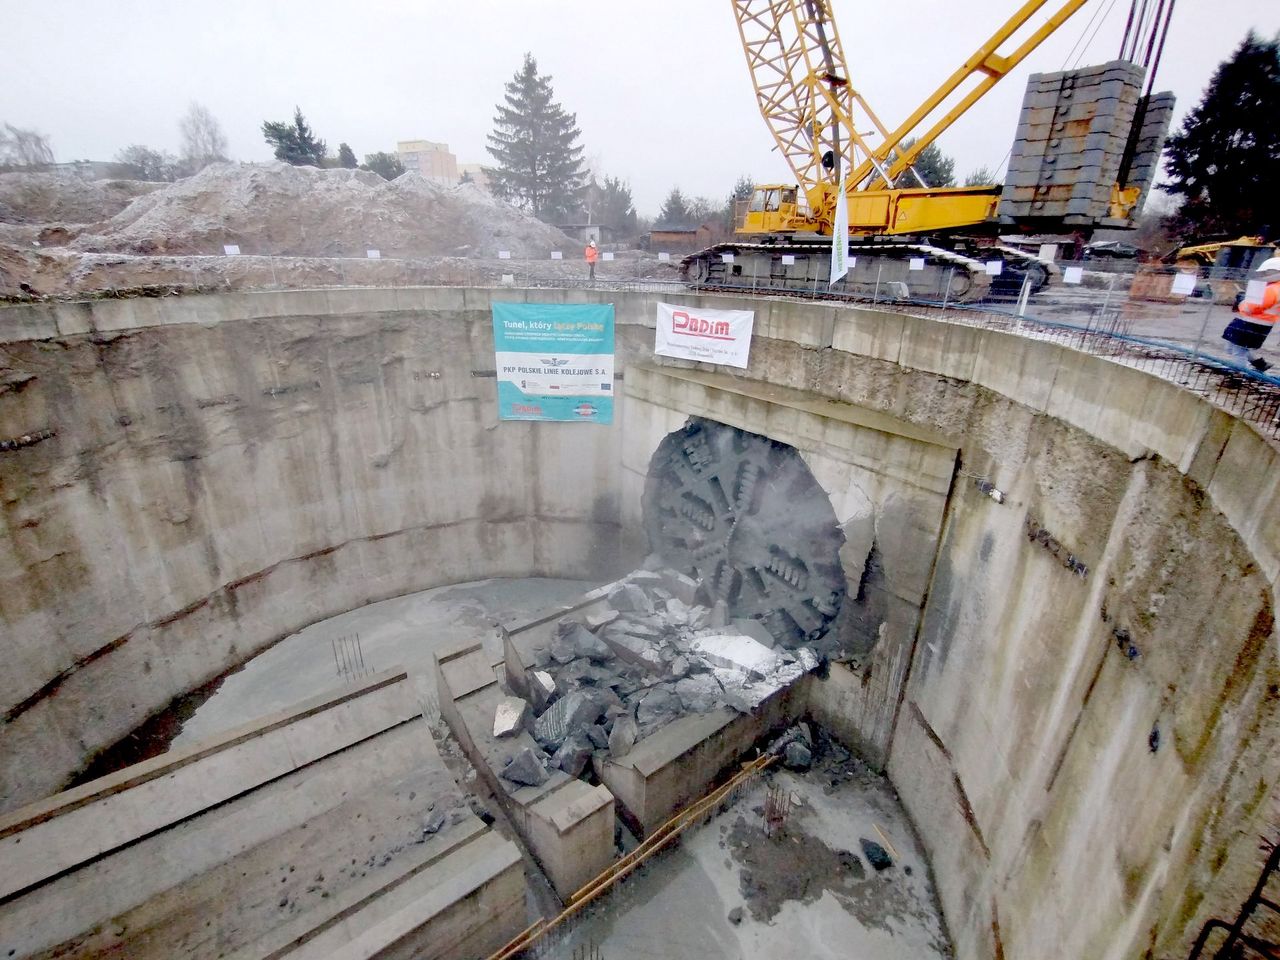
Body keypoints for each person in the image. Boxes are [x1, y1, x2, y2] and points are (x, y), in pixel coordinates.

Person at [1222, 257, 1280, 372]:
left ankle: (1238, 374)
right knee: (1236, 348)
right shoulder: (1274, 288)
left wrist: (1242, 302)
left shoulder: (1271, 290)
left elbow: (1252, 308)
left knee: (1238, 351)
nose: (1264, 274)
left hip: (1250, 324)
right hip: (1258, 325)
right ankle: (1259, 364)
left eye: (1267, 272)